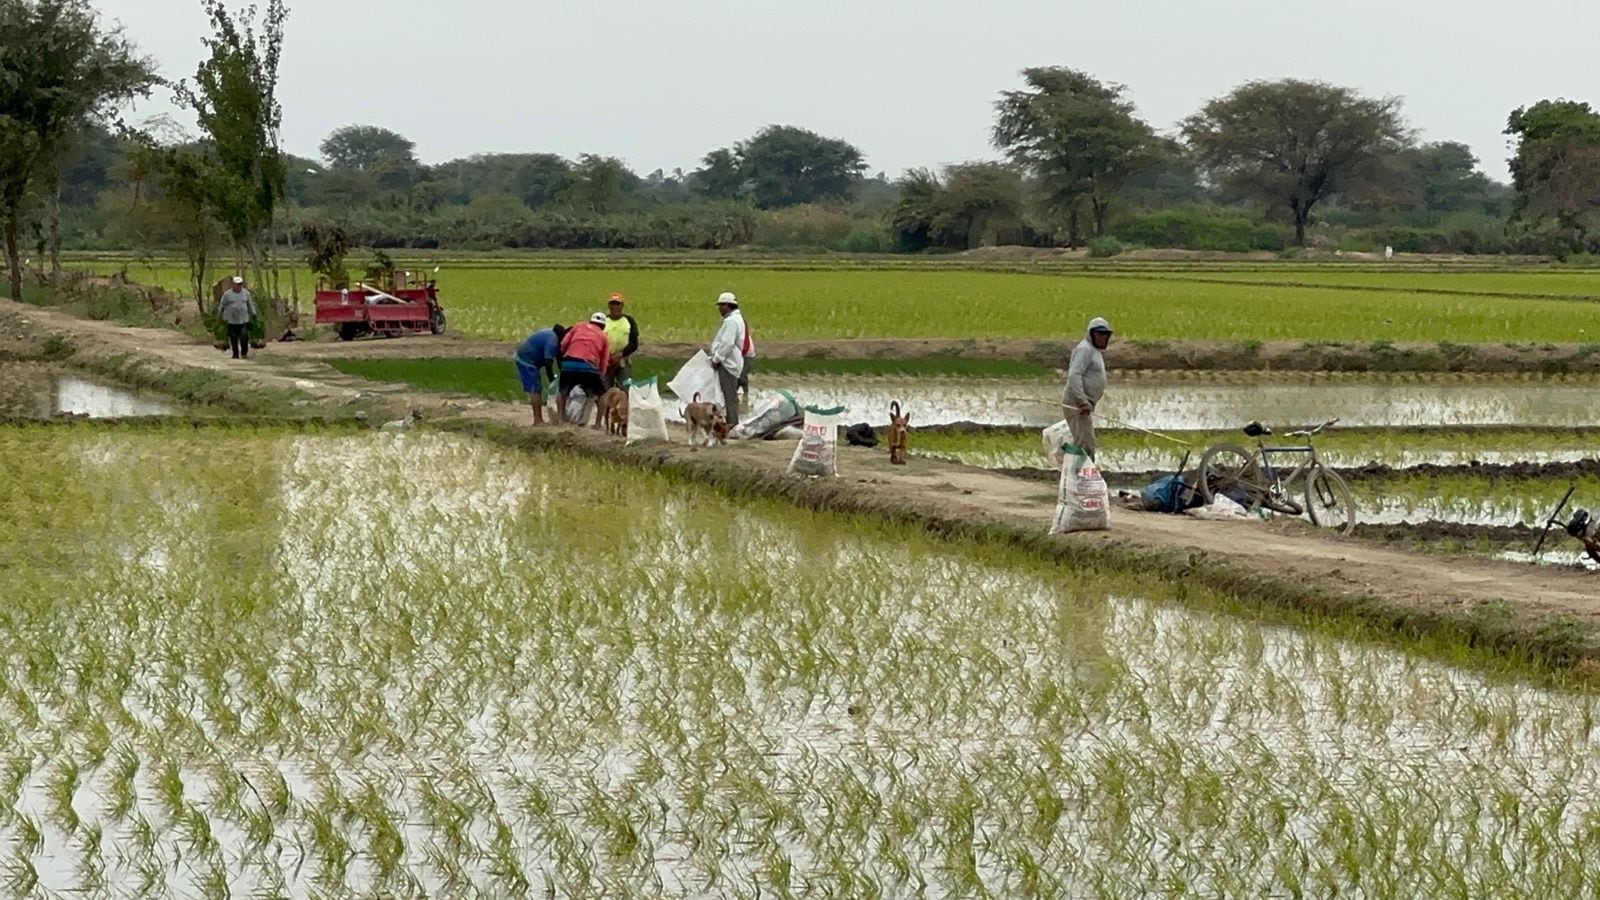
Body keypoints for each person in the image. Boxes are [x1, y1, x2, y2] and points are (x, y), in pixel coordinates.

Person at [1062, 317, 1113, 459]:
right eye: (1099, 334)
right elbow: (1074, 375)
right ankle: (1080, 476)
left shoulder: (1093, 351)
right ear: (1091, 334)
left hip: (1084, 406)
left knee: (1085, 443)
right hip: (1077, 406)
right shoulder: (1084, 349)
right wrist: (1082, 401)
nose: (1102, 338)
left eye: (1105, 335)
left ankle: (1079, 475)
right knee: (1085, 446)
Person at [557, 313, 612, 423]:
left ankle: (560, 419)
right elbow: (604, 360)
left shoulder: (578, 327)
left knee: (562, 392)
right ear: (603, 326)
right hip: (589, 366)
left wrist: (566, 359)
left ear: (590, 321)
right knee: (602, 394)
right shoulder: (603, 336)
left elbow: (563, 344)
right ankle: (597, 424)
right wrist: (600, 374)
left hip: (569, 363)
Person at [515, 323, 567, 425]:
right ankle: (537, 420)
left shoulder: (556, 339)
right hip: (526, 360)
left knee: (537, 388)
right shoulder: (552, 341)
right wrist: (552, 380)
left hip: (532, 359)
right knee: (536, 389)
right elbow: (548, 363)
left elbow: (559, 359)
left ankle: (541, 419)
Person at [709, 291, 747, 427]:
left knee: (729, 397)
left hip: (728, 364)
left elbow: (727, 343)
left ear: (727, 306)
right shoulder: (737, 319)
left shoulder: (731, 322)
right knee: (729, 396)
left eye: (721, 305)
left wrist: (717, 359)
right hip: (732, 362)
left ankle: (732, 425)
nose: (719, 308)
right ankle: (730, 423)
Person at [602, 292, 640, 387]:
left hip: (623, 359)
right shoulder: (603, 321)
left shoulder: (629, 321)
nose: (615, 307)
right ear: (609, 305)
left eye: (617, 304)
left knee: (625, 388)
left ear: (622, 306)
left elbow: (634, 342)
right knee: (604, 389)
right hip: (606, 361)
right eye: (612, 304)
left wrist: (621, 354)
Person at [218, 276, 257, 360]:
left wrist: (253, 313)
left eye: (240, 284)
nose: (238, 286)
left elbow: (250, 304)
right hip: (231, 320)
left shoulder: (246, 293)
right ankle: (235, 354)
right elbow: (222, 305)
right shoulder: (227, 294)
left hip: (243, 320)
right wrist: (220, 315)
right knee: (233, 338)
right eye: (237, 284)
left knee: (244, 336)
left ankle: (244, 353)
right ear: (233, 284)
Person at [737, 311, 755, 402]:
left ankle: (744, 396)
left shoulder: (743, 334)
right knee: (741, 375)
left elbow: (744, 348)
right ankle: (744, 395)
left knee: (741, 377)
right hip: (745, 355)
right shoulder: (742, 332)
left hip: (747, 356)